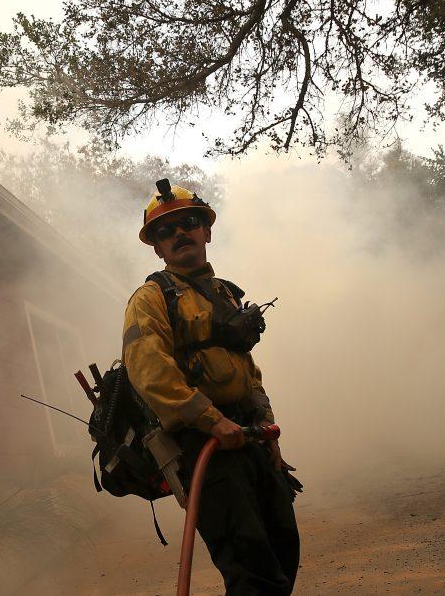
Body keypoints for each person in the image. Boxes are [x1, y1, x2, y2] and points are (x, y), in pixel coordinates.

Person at [122, 179, 300, 595]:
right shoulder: (150, 299)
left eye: (188, 223)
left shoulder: (225, 295)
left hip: (250, 437)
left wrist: (266, 424)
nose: (179, 233)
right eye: (166, 231)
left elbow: (246, 370)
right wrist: (211, 420)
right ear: (157, 248)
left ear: (206, 230)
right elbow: (149, 371)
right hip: (205, 445)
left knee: (282, 550)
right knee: (251, 568)